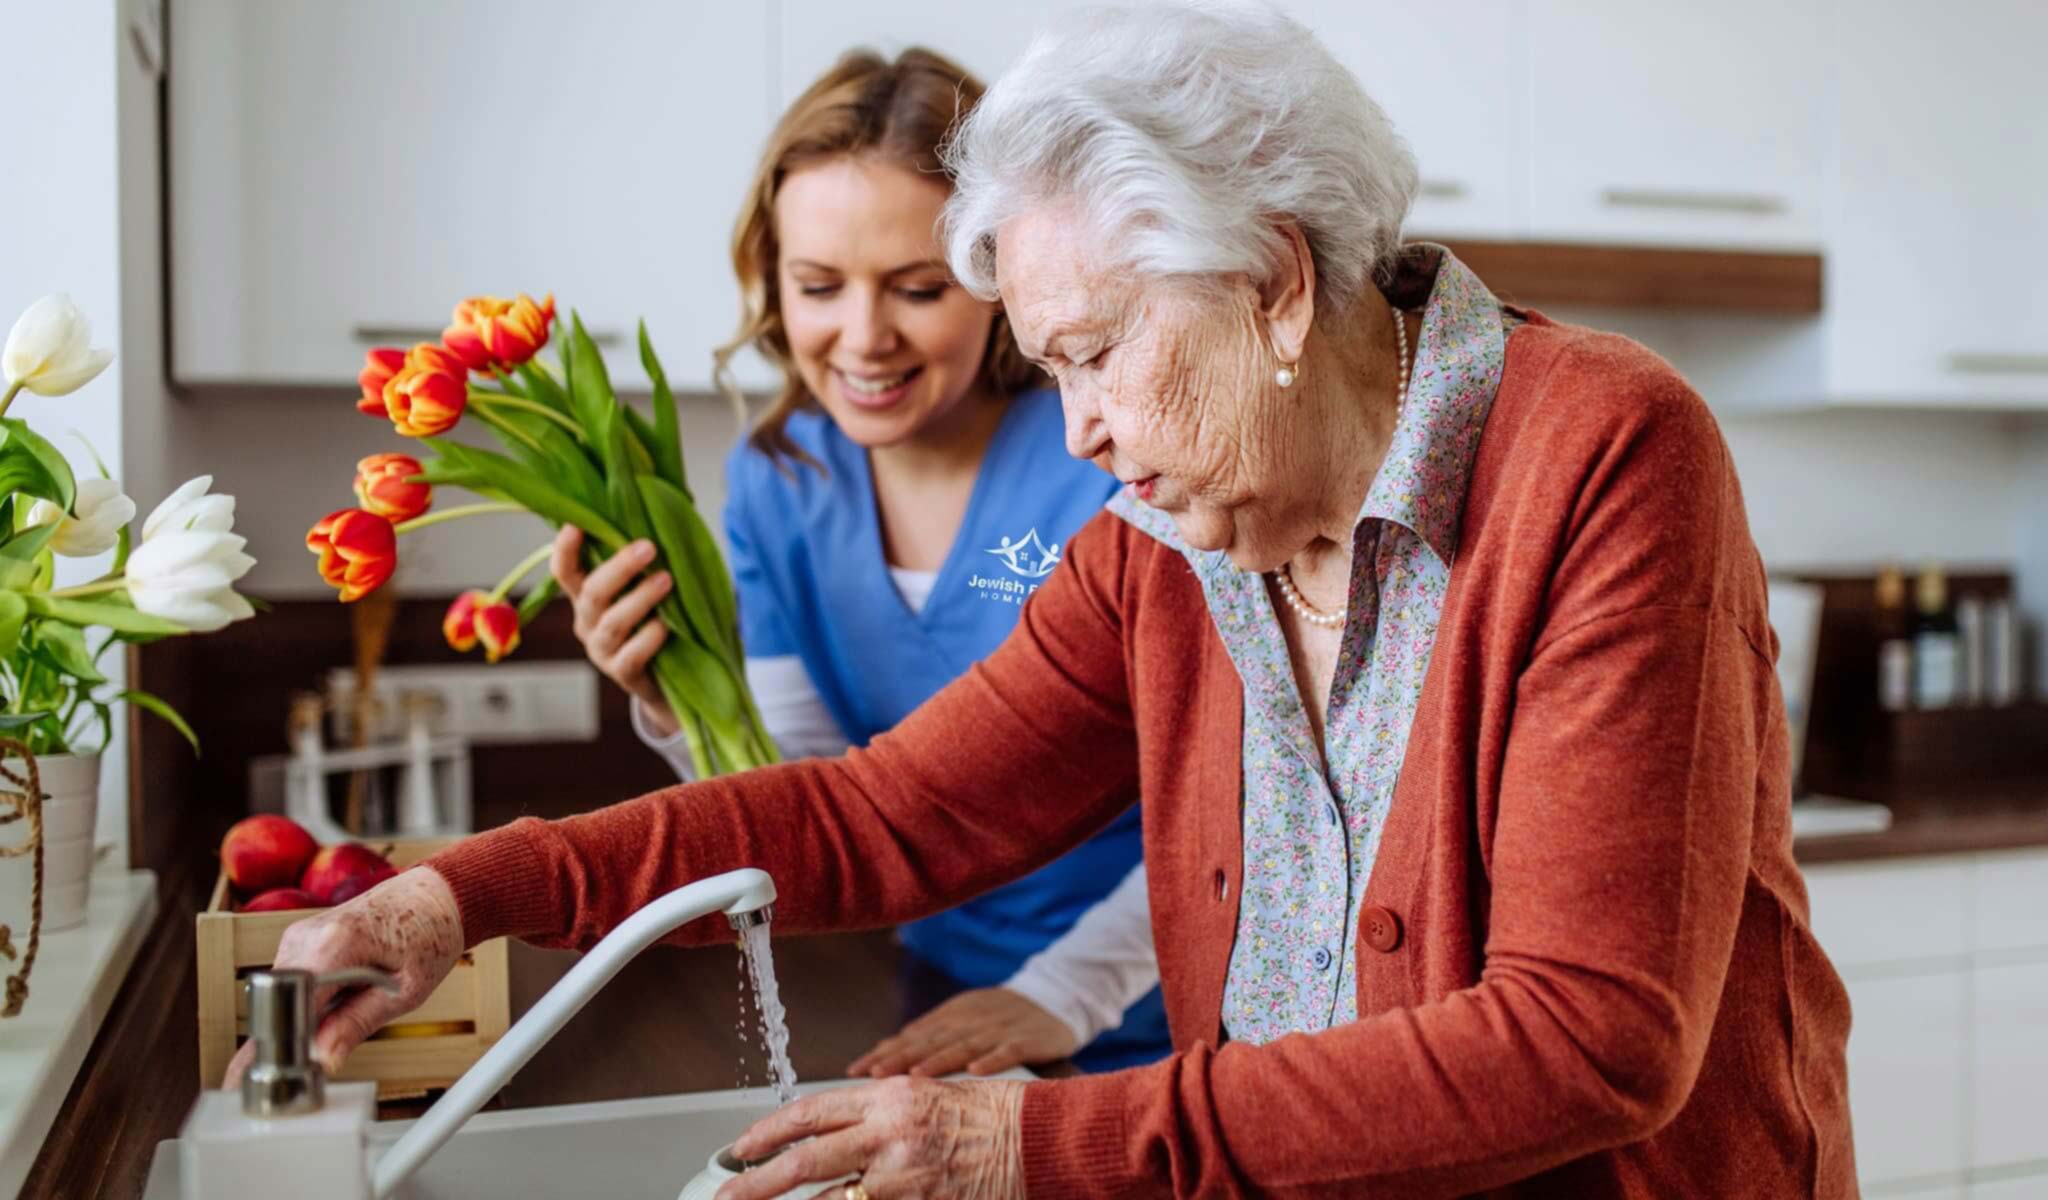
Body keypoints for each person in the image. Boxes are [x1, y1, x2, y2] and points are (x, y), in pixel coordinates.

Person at [237, 4, 1856, 1195]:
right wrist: (457, 898)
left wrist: (1031, 1141)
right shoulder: (1168, 544)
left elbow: (1589, 1037)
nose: (1073, 425)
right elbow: (877, 819)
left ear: (1274, 285)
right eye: (1053, 364)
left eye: (1091, 353)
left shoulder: (1599, 452)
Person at [549, 46, 1168, 1075]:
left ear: (1000, 279)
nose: (862, 337)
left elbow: (1238, 794)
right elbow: (800, 792)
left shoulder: (1109, 456)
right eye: (818, 285)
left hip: (1166, 996)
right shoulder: (776, 485)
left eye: (918, 287)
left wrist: (1060, 998)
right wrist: (674, 697)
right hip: (949, 998)